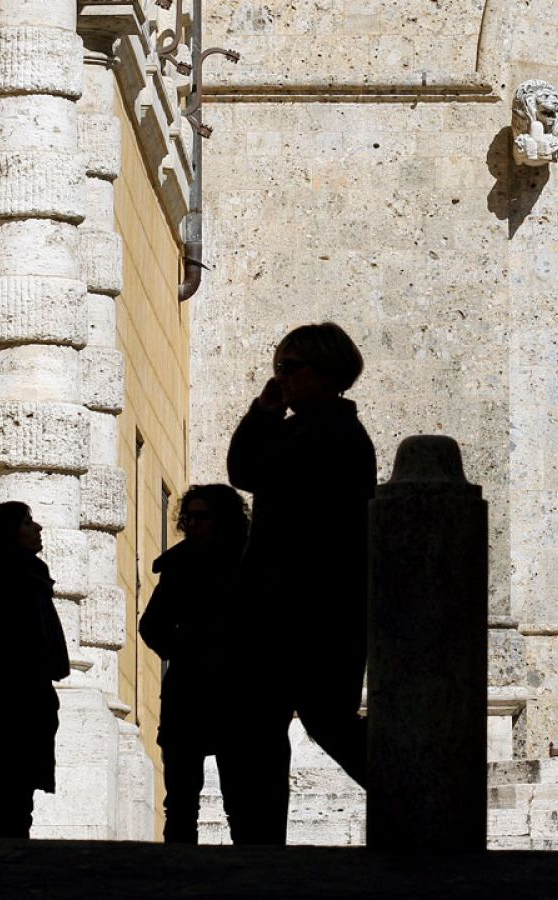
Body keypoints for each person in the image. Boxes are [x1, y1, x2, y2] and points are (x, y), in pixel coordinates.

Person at [222, 322, 377, 844]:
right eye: (278, 367)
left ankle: (417, 794)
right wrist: (266, 413)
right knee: (275, 722)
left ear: (325, 372)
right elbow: (245, 471)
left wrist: (263, 417)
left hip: (307, 607)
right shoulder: (307, 429)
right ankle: (260, 841)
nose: (280, 377)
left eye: (289, 368)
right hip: (290, 605)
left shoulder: (329, 435)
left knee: (312, 720)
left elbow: (247, 471)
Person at [139, 484, 249, 843]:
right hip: (186, 693)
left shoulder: (249, 562)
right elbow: (151, 626)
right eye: (188, 517)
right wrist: (185, 649)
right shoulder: (178, 566)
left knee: (240, 801)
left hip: (238, 693)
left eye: (203, 516)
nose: (193, 524)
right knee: (181, 802)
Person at [0, 502, 70, 838]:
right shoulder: (7, 580)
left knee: (17, 801)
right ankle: (3, 864)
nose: (37, 528)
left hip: (24, 704)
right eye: (27, 523)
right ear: (9, 534)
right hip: (10, 708)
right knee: (12, 801)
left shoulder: (27, 577)